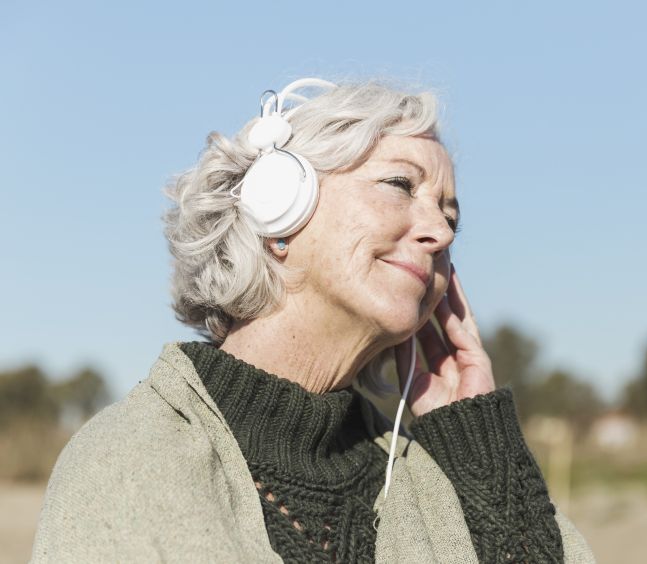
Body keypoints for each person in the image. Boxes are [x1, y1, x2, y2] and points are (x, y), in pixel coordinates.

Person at [31, 78, 594, 563]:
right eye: (400, 185)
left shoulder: (427, 468)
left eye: (451, 218)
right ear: (277, 205)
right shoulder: (130, 461)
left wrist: (476, 441)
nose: (441, 233)